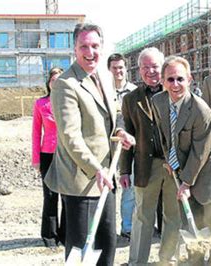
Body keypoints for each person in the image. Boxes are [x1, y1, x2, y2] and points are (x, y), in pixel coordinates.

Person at [44, 23, 135, 266]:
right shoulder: (66, 85)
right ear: (75, 49)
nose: (90, 51)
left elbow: (114, 114)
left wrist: (121, 131)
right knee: (81, 251)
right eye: (84, 46)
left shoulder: (104, 77)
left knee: (107, 243)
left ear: (102, 47)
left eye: (95, 46)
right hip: (81, 181)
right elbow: (70, 137)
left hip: (105, 176)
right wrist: (96, 168)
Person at [152, 55, 211, 266]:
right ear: (162, 80)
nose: (175, 85)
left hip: (207, 174)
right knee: (191, 226)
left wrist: (186, 182)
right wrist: (169, 160)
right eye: (170, 79)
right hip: (182, 169)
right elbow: (163, 135)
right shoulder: (158, 101)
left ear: (189, 79)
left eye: (180, 79)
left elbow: (200, 151)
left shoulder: (201, 110)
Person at [119, 47, 181, 265]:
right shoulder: (131, 99)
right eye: (145, 67)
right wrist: (125, 170)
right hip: (146, 165)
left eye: (155, 66)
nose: (150, 71)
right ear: (139, 70)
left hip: (174, 166)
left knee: (173, 216)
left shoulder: (176, 92)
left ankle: (168, 259)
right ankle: (137, 261)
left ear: (163, 67)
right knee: (143, 217)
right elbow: (127, 134)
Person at [32, 67, 65, 248]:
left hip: (68, 154)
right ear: (48, 83)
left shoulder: (70, 101)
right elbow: (36, 133)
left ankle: (66, 234)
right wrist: (35, 159)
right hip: (48, 154)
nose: (56, 83)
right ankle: (50, 236)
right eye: (53, 80)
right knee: (50, 196)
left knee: (68, 196)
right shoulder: (40, 104)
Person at [107, 53, 137, 241]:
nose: (118, 71)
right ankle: (107, 230)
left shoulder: (134, 92)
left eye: (121, 67)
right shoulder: (102, 91)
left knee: (129, 188)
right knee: (108, 189)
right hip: (107, 148)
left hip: (128, 148)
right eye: (114, 68)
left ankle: (127, 226)